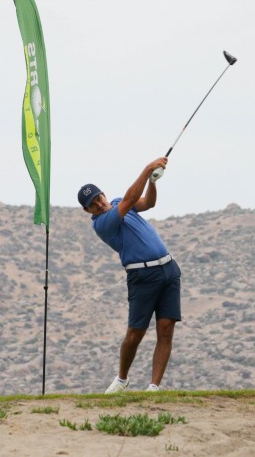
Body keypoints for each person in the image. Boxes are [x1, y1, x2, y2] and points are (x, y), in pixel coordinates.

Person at [77, 157, 182, 393]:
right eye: (92, 204)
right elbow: (130, 199)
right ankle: (122, 379)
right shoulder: (102, 223)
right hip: (142, 277)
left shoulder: (115, 202)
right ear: (87, 211)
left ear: (103, 194)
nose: (99, 204)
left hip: (168, 269)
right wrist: (147, 168)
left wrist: (152, 181)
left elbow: (148, 203)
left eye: (99, 198)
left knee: (166, 328)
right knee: (135, 333)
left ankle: (154, 387)